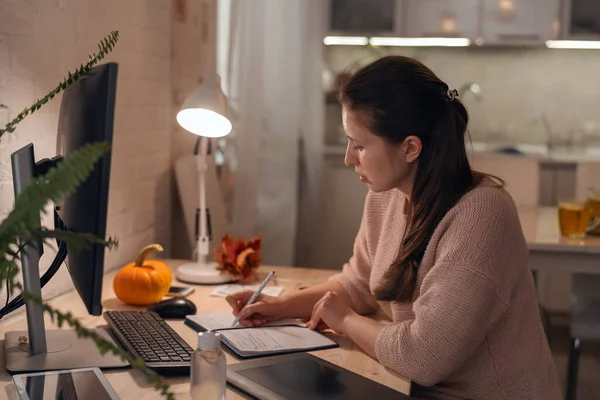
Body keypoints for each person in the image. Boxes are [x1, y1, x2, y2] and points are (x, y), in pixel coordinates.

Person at [226, 55, 562, 400]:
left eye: (359, 145)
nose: (348, 158)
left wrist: (344, 320)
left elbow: (423, 356)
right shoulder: (386, 196)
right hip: (415, 388)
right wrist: (280, 307)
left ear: (410, 148)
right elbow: (358, 285)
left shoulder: (482, 214)